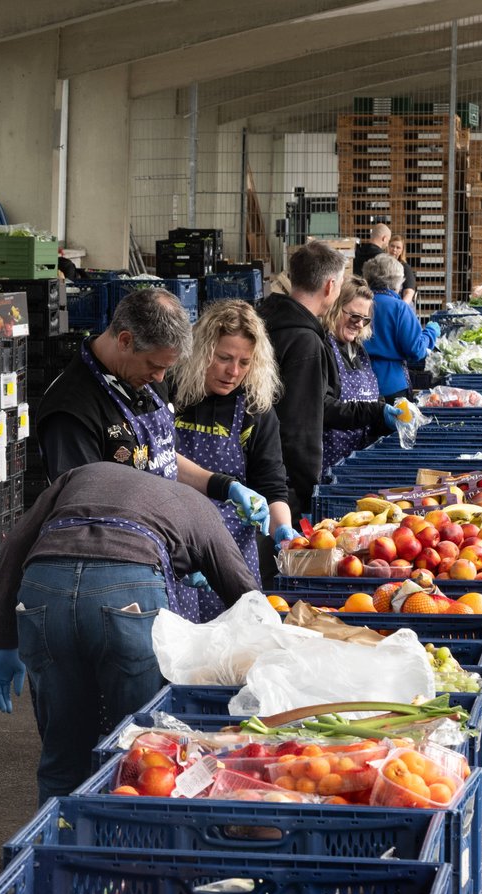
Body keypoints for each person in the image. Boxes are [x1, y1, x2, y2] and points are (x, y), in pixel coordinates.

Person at [0, 462, 263, 803]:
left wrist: (2, 640)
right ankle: (124, 845)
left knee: (62, 751)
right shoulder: (200, 506)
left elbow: (16, 544)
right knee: (137, 751)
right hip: (128, 590)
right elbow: (248, 599)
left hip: (46, 585)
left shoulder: (84, 473)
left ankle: (60, 844)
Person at [31, 285, 270, 532]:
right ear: (125, 341)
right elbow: (82, 508)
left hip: (160, 542)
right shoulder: (71, 411)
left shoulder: (143, 378)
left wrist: (222, 486)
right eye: (154, 365)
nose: (160, 378)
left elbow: (157, 455)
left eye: (167, 368)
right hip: (114, 553)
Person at [165, 301, 296, 621]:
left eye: (244, 362)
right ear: (201, 352)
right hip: (170, 543)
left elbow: (271, 482)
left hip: (230, 553)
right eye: (223, 358)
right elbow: (155, 456)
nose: (233, 371)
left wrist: (284, 530)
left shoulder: (255, 409)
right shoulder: (170, 390)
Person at [257, 241, 348, 516]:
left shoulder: (263, 320)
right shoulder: (305, 343)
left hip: (254, 468)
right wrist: (307, 491)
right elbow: (301, 426)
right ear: (330, 286)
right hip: (285, 488)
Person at [321, 277, 401, 474]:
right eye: (355, 316)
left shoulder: (358, 351)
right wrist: (375, 412)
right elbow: (323, 407)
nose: (359, 324)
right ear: (336, 308)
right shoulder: (323, 348)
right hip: (330, 464)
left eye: (365, 319)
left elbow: (370, 397)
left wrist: (385, 416)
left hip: (357, 461)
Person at [362, 254, 437, 399]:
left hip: (360, 383)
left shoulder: (358, 304)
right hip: (392, 385)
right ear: (398, 281)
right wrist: (431, 332)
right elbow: (416, 350)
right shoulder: (399, 308)